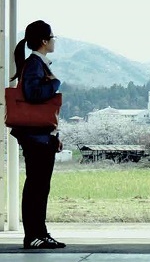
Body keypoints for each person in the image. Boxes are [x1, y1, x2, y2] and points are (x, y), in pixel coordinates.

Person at [9, 20, 66, 249]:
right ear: (44, 41)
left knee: (40, 187)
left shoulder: (36, 63)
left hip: (41, 136)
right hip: (35, 138)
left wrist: (54, 134)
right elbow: (33, 95)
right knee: (36, 187)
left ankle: (39, 234)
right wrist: (55, 84)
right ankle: (34, 235)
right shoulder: (35, 64)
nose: (53, 41)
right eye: (52, 37)